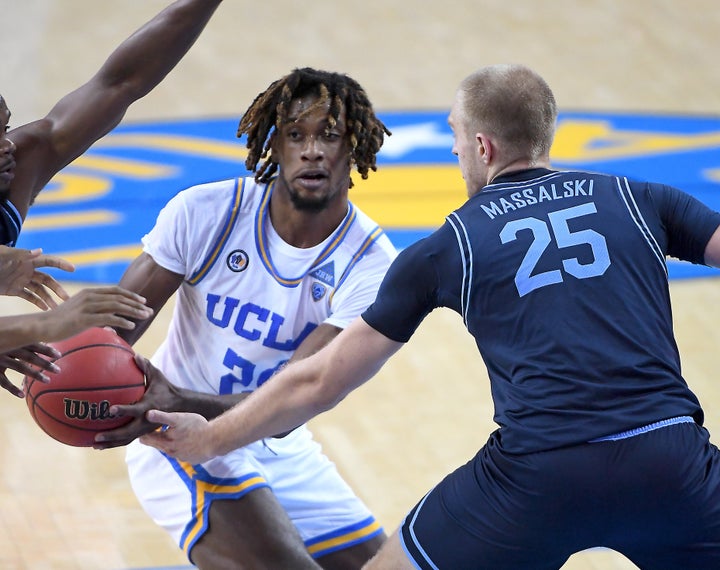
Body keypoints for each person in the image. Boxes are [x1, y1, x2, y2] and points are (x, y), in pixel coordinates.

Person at [138, 63, 720, 570]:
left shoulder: (451, 245)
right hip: (670, 460)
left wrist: (210, 436)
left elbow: (319, 380)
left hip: (538, 475)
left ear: (484, 148)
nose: (453, 151)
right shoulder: (641, 198)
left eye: (456, 137)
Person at [94, 68, 395, 569]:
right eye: (296, 135)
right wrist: (64, 366)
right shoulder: (205, 213)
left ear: (356, 149)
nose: (312, 150)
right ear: (274, 147)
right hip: (179, 437)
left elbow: (295, 399)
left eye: (330, 135)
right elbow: (110, 334)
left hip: (276, 437)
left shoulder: (372, 263)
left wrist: (183, 398)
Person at [0, 0, 224, 397]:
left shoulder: (18, 165)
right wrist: (49, 325)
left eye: (4, 128)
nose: (5, 147)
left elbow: (121, 82)